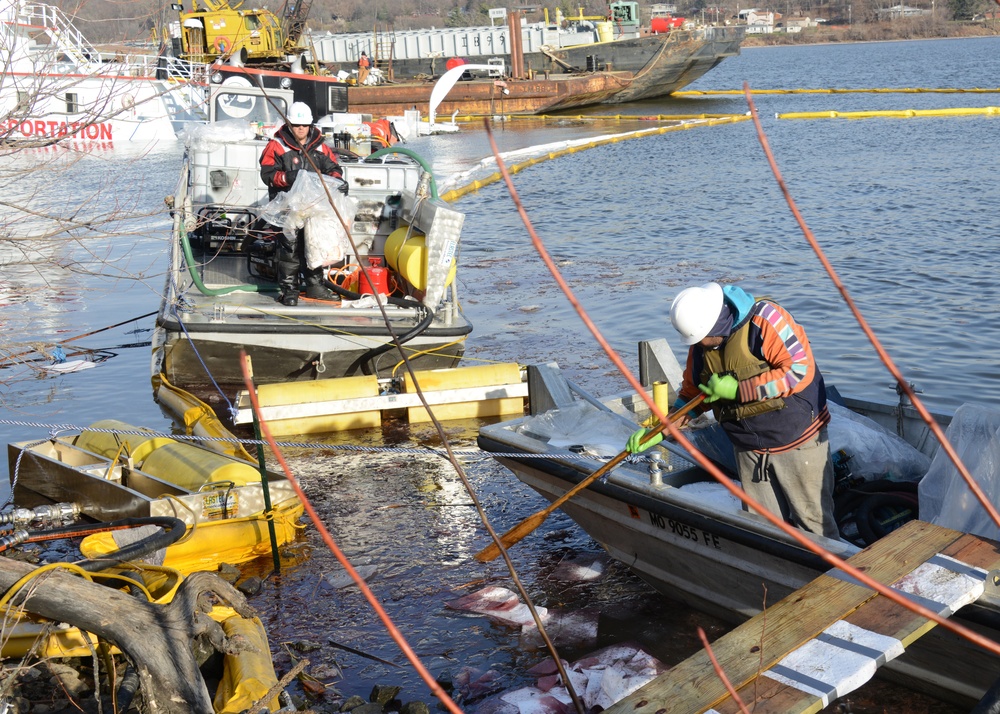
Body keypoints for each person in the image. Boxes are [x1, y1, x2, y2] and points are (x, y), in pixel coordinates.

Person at [627, 282, 839, 539]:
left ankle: (834, 577)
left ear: (716, 323)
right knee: (762, 530)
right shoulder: (701, 345)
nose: (700, 344)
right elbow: (692, 395)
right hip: (748, 449)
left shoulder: (767, 320)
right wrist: (661, 429)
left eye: (703, 338)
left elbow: (798, 372)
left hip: (798, 440)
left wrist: (740, 390)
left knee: (814, 525)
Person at [259, 101, 343, 306]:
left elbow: (334, 168)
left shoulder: (320, 147)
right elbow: (267, 174)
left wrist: (338, 181)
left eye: (304, 125)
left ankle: (315, 286)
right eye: (296, 125)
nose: (300, 129)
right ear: (289, 124)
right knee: (290, 249)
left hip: (313, 207)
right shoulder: (277, 145)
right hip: (287, 207)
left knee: (314, 245)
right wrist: (289, 178)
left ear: (310, 125)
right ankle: (289, 290)